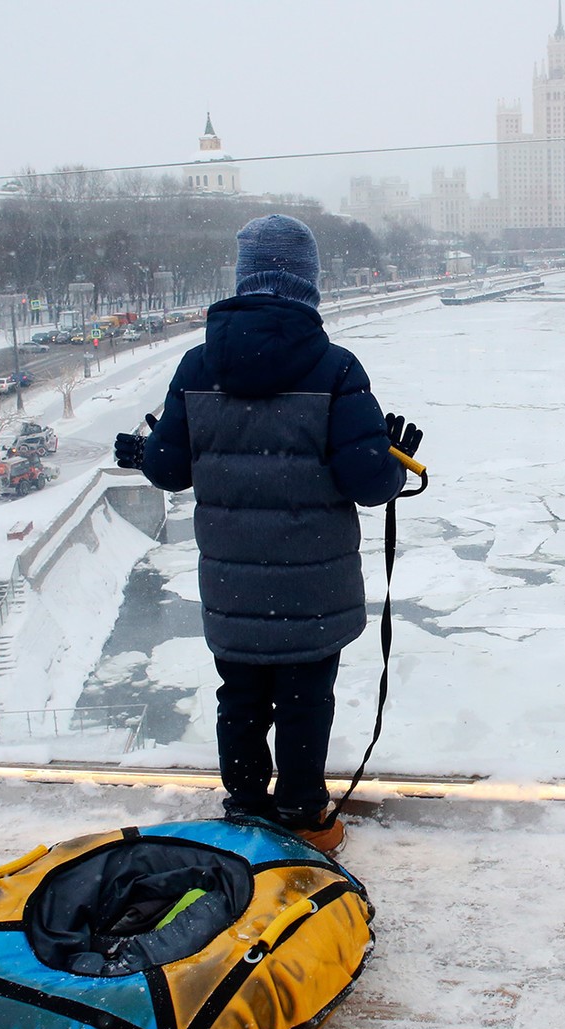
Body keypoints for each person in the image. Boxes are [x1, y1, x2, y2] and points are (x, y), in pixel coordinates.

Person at [116, 214, 418, 853]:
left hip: (231, 582)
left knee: (241, 698)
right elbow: (368, 483)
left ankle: (247, 810)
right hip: (314, 584)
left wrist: (144, 449)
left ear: (243, 280)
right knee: (306, 700)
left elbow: (169, 470)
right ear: (308, 283)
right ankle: (305, 817)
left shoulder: (198, 365)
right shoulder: (335, 369)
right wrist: (391, 457)